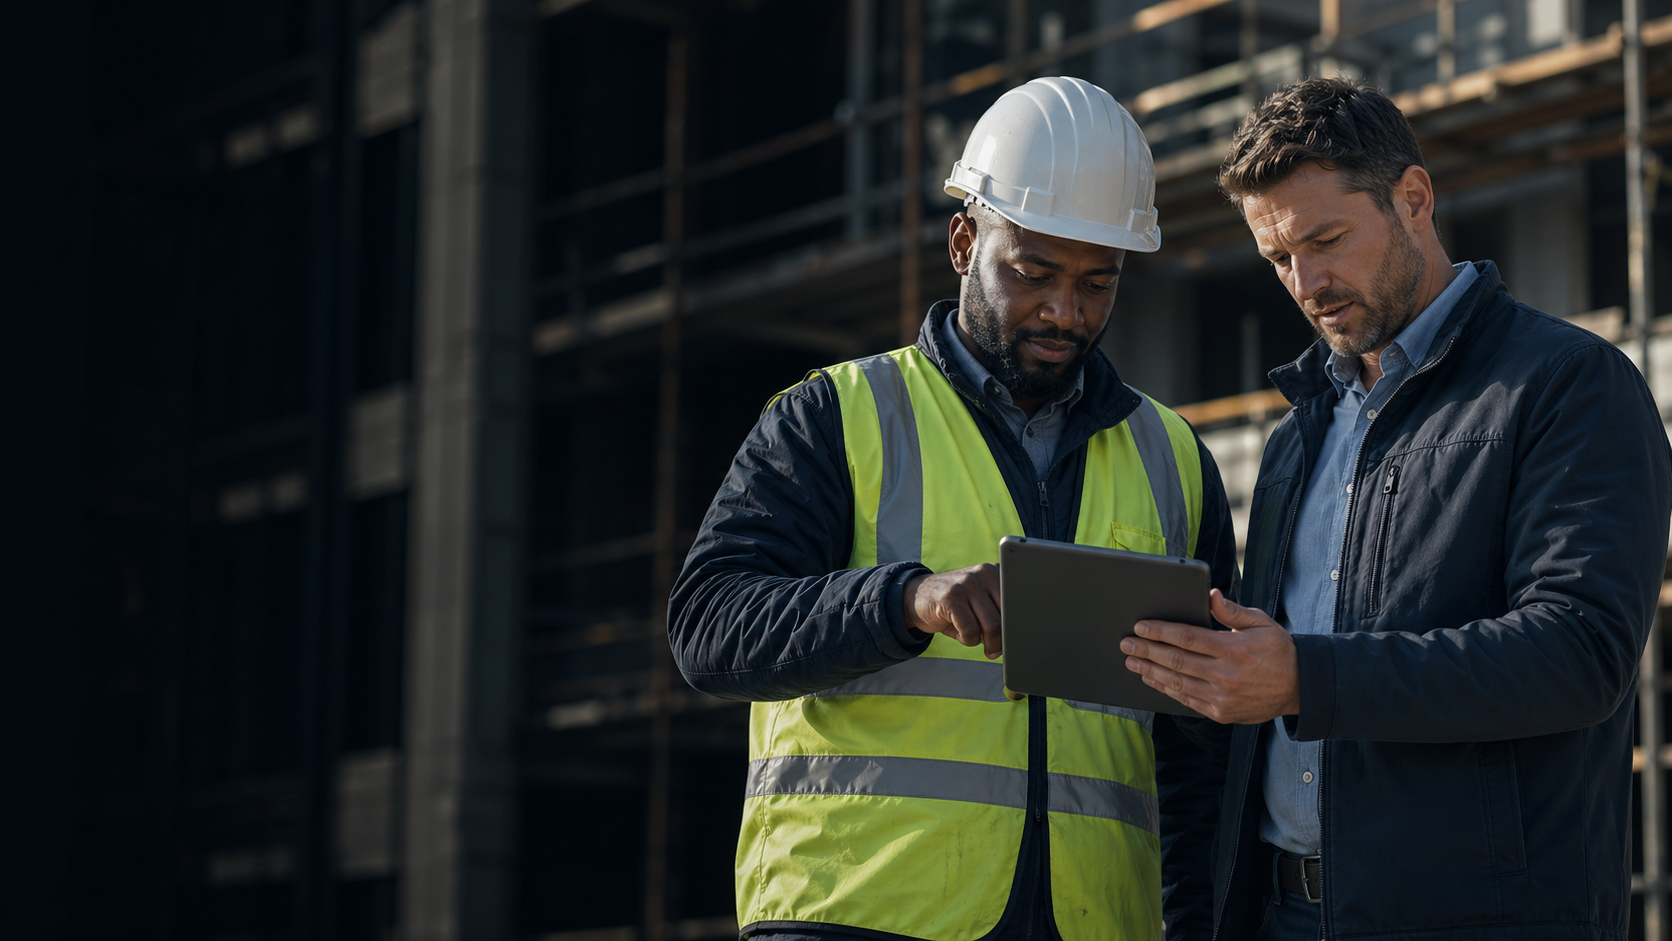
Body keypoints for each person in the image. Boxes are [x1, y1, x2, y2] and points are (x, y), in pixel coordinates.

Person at [668, 76, 1238, 941]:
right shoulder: (836, 415)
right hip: (860, 912)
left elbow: (1201, 751)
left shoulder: (1173, 459)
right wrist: (905, 600)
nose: (1064, 311)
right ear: (965, 239)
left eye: (1098, 284)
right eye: (1034, 272)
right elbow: (708, 629)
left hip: (1094, 922)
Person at [1119, 76, 1672, 939]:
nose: (1305, 281)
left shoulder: (1568, 386)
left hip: (1479, 919)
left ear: (1414, 198)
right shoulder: (1295, 439)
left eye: (1326, 239)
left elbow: (1579, 650)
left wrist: (1308, 675)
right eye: (1277, 259)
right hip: (1281, 915)